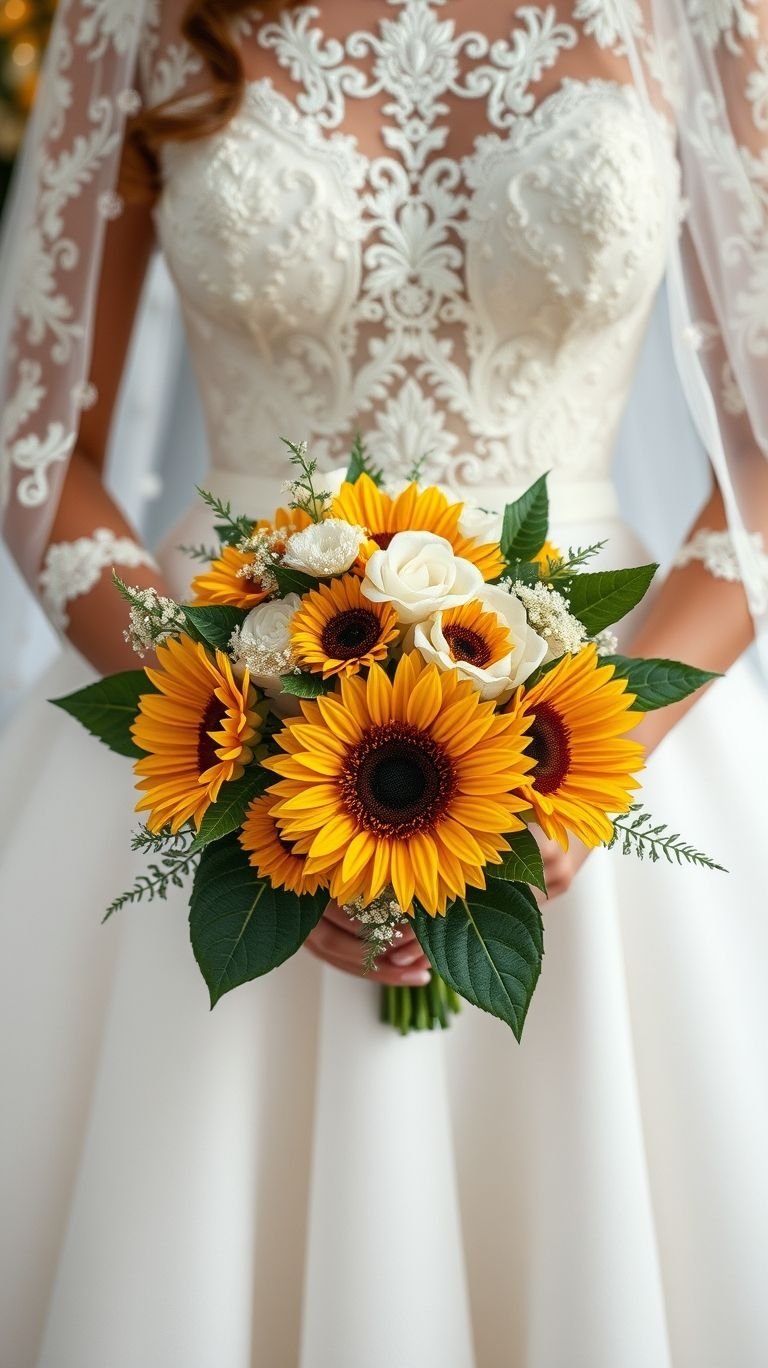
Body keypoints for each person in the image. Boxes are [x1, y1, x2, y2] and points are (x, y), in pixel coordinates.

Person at [1, 2, 767, 1365]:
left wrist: (596, 748)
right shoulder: (138, 12)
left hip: (601, 718)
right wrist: (228, 740)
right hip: (215, 699)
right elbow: (36, 440)